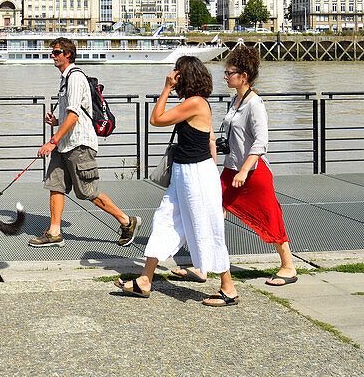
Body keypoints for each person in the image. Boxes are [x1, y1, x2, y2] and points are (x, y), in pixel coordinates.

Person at [116, 56, 235, 306]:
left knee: (207, 227)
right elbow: (211, 140)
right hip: (185, 172)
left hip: (196, 174)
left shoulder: (195, 103)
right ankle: (145, 280)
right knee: (164, 220)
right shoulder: (194, 103)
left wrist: (167, 88)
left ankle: (229, 288)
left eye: (177, 73)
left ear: (184, 76)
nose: (174, 76)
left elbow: (156, 119)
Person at [29, 37, 139, 248]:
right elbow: (71, 115)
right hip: (64, 144)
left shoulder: (75, 77)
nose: (52, 55)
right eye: (52, 52)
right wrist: (56, 122)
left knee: (87, 192)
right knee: (56, 186)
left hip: (79, 144)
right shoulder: (65, 79)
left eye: (56, 52)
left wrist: (52, 140)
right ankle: (54, 233)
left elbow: (75, 116)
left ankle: (126, 221)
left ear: (68, 54)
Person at [210, 45, 297, 290]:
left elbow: (261, 142)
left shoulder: (255, 103)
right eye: (225, 73)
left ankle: (288, 266)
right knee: (213, 213)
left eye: (229, 73)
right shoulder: (234, 100)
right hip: (231, 169)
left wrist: (245, 170)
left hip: (253, 172)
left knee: (269, 218)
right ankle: (203, 263)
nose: (225, 77)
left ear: (243, 76)